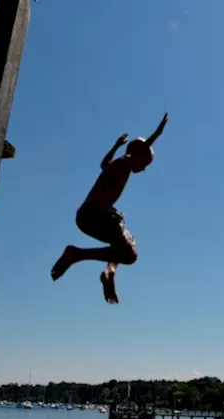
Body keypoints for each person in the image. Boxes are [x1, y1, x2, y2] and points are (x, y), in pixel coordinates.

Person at [50, 113, 168, 303]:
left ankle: (108, 271)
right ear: (136, 155)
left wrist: (116, 145)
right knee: (129, 252)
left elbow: (103, 163)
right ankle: (78, 255)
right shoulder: (123, 164)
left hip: (88, 216)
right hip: (92, 215)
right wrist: (157, 133)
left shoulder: (119, 165)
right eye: (145, 163)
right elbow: (138, 149)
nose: (144, 169)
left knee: (127, 244)